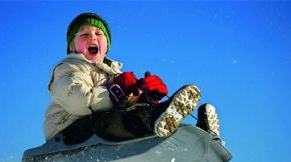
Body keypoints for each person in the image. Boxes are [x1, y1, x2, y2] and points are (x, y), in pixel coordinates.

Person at [44, 12, 220, 144]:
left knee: (136, 111)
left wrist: (146, 97)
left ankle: (196, 135)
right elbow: (79, 101)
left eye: (98, 34)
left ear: (106, 46)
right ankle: (156, 118)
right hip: (69, 132)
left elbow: (123, 103)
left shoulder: (114, 74)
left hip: (101, 134)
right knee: (115, 119)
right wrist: (117, 90)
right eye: (84, 34)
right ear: (72, 46)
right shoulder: (68, 68)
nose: (92, 37)